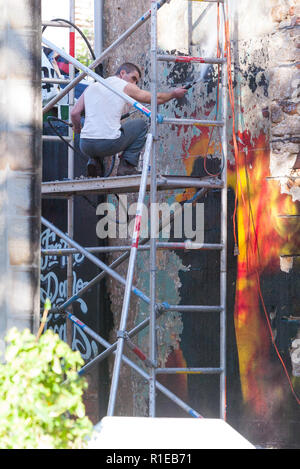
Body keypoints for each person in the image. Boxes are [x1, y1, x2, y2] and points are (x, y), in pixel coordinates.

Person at [71, 62, 187, 177]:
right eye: (133, 78)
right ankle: (127, 166)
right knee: (141, 125)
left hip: (85, 145)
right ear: (122, 73)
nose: (135, 83)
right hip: (107, 144)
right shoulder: (124, 85)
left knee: (97, 127)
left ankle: (94, 162)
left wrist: (77, 129)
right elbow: (157, 98)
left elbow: (75, 112)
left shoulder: (92, 86)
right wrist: (173, 94)